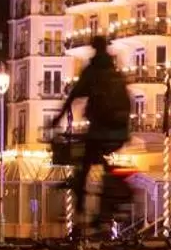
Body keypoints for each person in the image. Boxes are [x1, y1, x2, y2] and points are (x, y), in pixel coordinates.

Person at [54, 37, 131, 239]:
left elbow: (73, 96)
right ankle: (104, 211)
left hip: (100, 131)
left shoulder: (93, 73)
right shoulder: (115, 74)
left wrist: (57, 118)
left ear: (94, 49)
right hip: (120, 132)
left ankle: (81, 218)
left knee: (84, 164)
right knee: (101, 161)